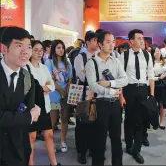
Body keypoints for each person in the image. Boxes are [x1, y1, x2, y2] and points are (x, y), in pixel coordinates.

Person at [85, 31, 128, 166]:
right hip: (101, 104)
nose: (111, 45)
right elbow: (93, 85)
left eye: (113, 42)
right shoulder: (92, 63)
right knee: (99, 140)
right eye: (108, 42)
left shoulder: (116, 60)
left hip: (115, 105)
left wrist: (110, 84)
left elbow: (125, 80)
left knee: (116, 139)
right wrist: (111, 92)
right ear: (100, 44)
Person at [0, 26, 40, 166]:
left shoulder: (26, 76)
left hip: (18, 149)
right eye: (18, 45)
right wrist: (28, 116)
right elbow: (29, 115)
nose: (25, 52)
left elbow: (31, 109)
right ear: (4, 48)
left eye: (28, 46)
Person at [119, 29, 155, 164]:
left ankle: (136, 149)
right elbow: (120, 77)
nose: (142, 41)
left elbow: (151, 76)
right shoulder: (124, 55)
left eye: (142, 38)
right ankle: (129, 145)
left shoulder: (147, 55)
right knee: (128, 119)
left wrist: (152, 95)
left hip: (143, 90)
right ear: (131, 41)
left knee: (141, 120)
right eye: (139, 38)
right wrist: (121, 95)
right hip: (129, 89)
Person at [26, 40, 61, 166]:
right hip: (31, 107)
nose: (39, 52)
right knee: (32, 137)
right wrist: (42, 88)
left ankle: (54, 163)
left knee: (49, 134)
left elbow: (51, 85)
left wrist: (42, 88)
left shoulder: (44, 67)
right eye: (36, 50)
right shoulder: (26, 67)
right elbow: (31, 88)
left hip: (44, 106)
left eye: (41, 50)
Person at [74, 31, 99, 164]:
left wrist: (90, 74)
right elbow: (83, 77)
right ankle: (81, 152)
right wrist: (95, 76)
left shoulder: (101, 56)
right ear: (88, 42)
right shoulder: (80, 58)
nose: (97, 43)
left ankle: (93, 148)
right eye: (94, 40)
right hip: (83, 96)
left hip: (98, 94)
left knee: (96, 123)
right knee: (82, 124)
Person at [45, 40, 73, 153]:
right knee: (53, 120)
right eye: (58, 48)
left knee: (65, 118)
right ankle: (50, 143)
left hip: (65, 94)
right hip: (54, 94)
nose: (61, 50)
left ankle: (63, 141)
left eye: (62, 47)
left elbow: (70, 78)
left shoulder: (67, 63)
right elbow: (50, 79)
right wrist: (61, 90)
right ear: (53, 49)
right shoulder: (49, 62)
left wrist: (67, 89)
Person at [151, 46, 166, 129]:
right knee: (153, 104)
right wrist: (158, 78)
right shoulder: (150, 62)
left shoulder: (165, 61)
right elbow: (149, 75)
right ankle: (154, 122)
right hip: (154, 83)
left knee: (163, 104)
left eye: (158, 51)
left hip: (164, 84)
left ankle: (161, 122)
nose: (157, 53)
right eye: (155, 51)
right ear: (152, 53)